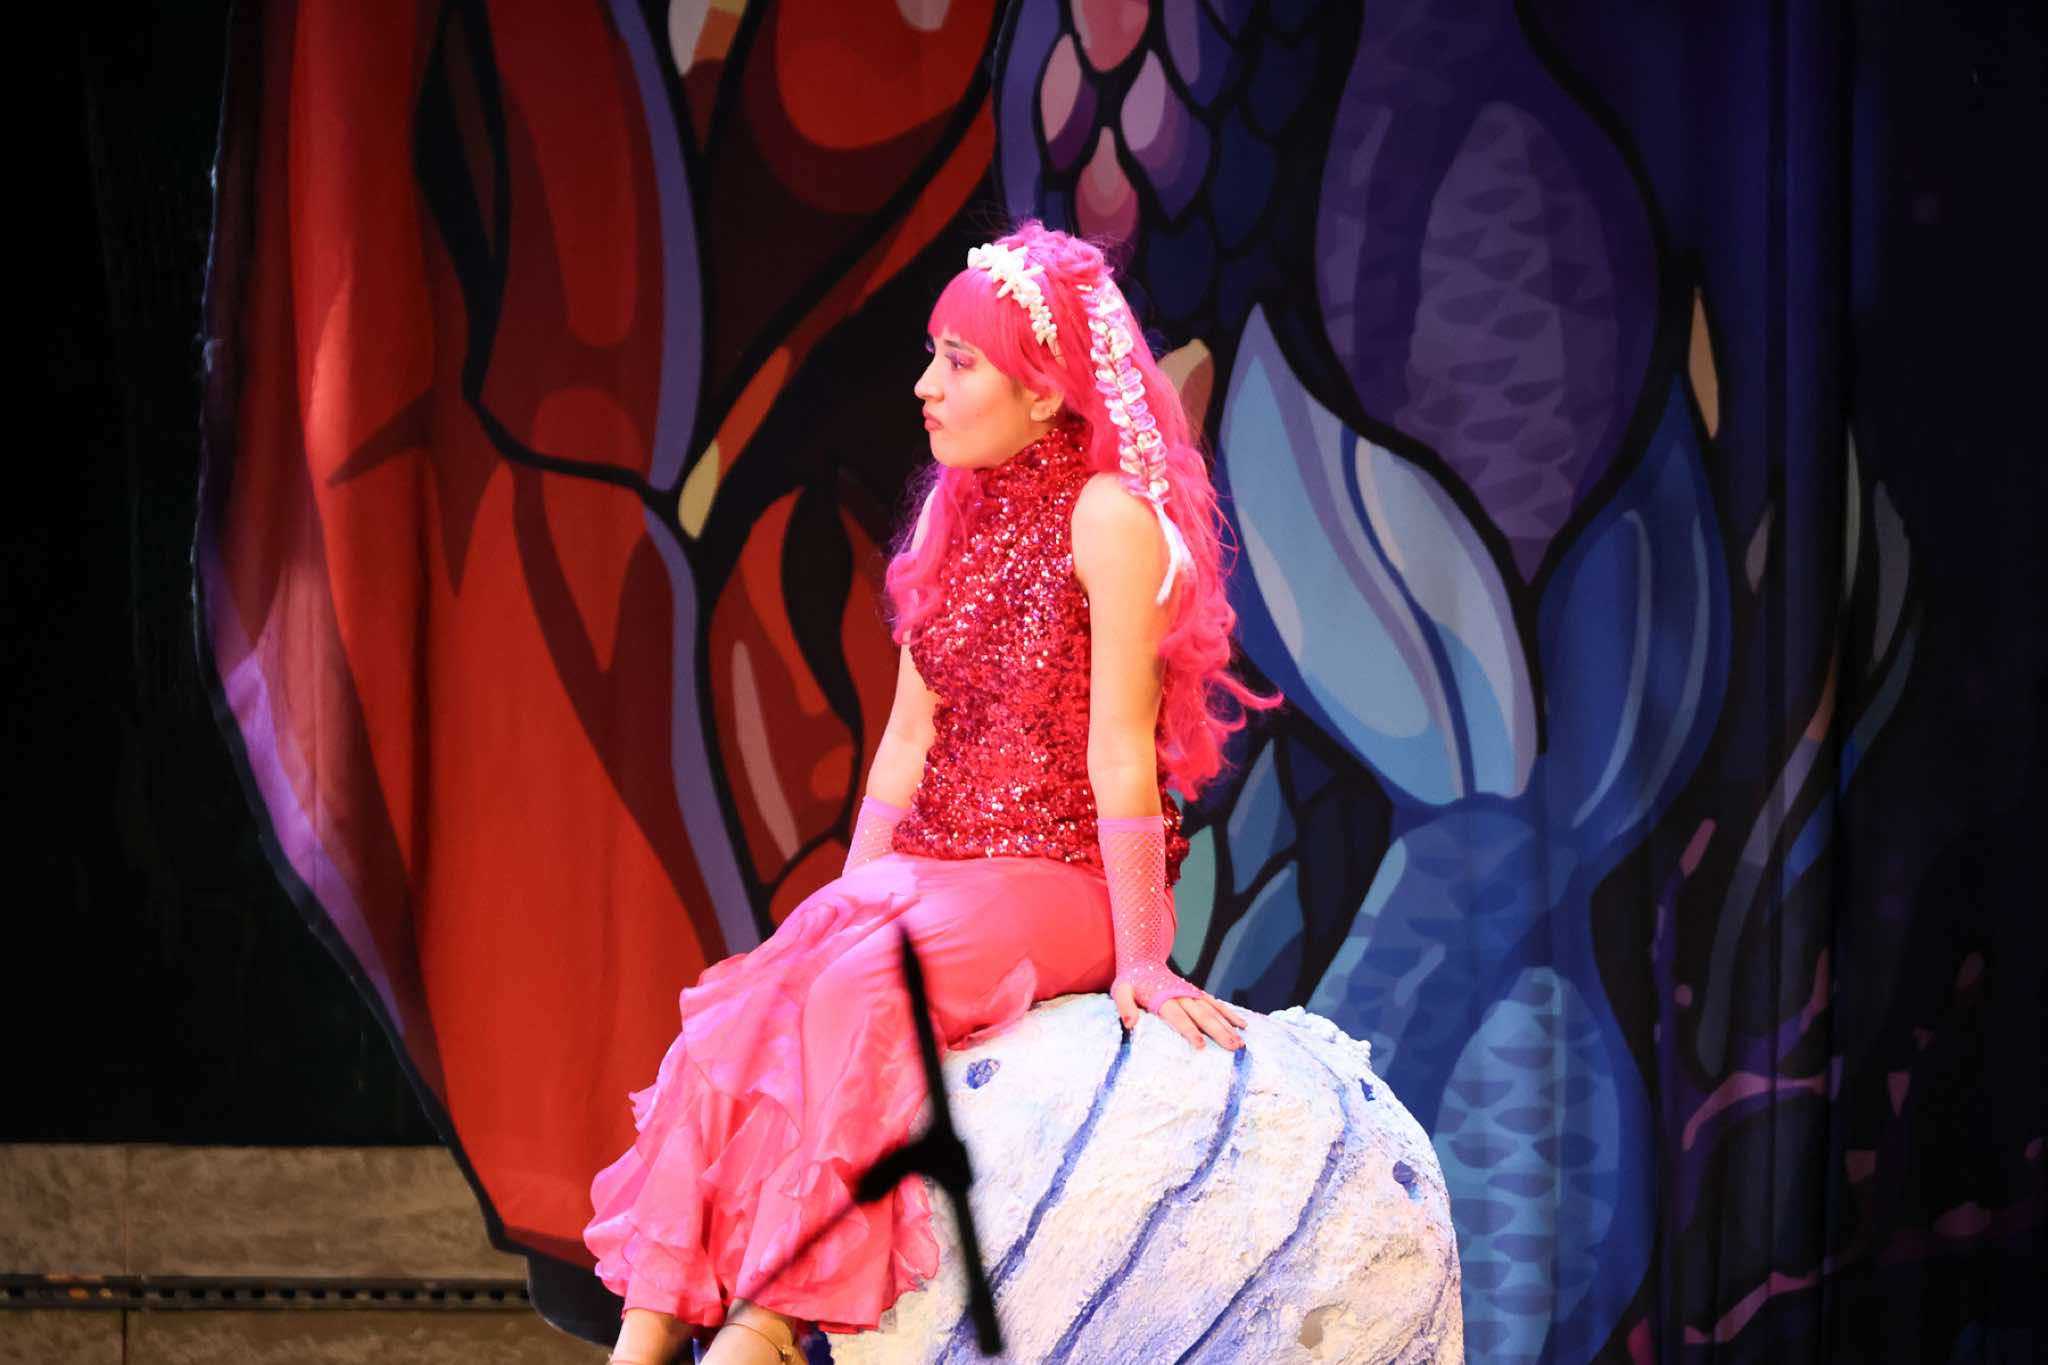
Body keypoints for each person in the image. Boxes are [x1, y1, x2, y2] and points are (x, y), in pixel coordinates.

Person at [588, 221, 1278, 1365]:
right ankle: (645, 1334)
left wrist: (1144, 958)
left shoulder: (1106, 518)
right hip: (937, 868)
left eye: (957, 362)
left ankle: (765, 1327)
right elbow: (906, 742)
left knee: (858, 991)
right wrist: (844, 905)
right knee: (755, 1004)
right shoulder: (952, 512)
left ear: (1044, 392)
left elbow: (1120, 752)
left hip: (1057, 874)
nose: (924, 386)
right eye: (931, 356)